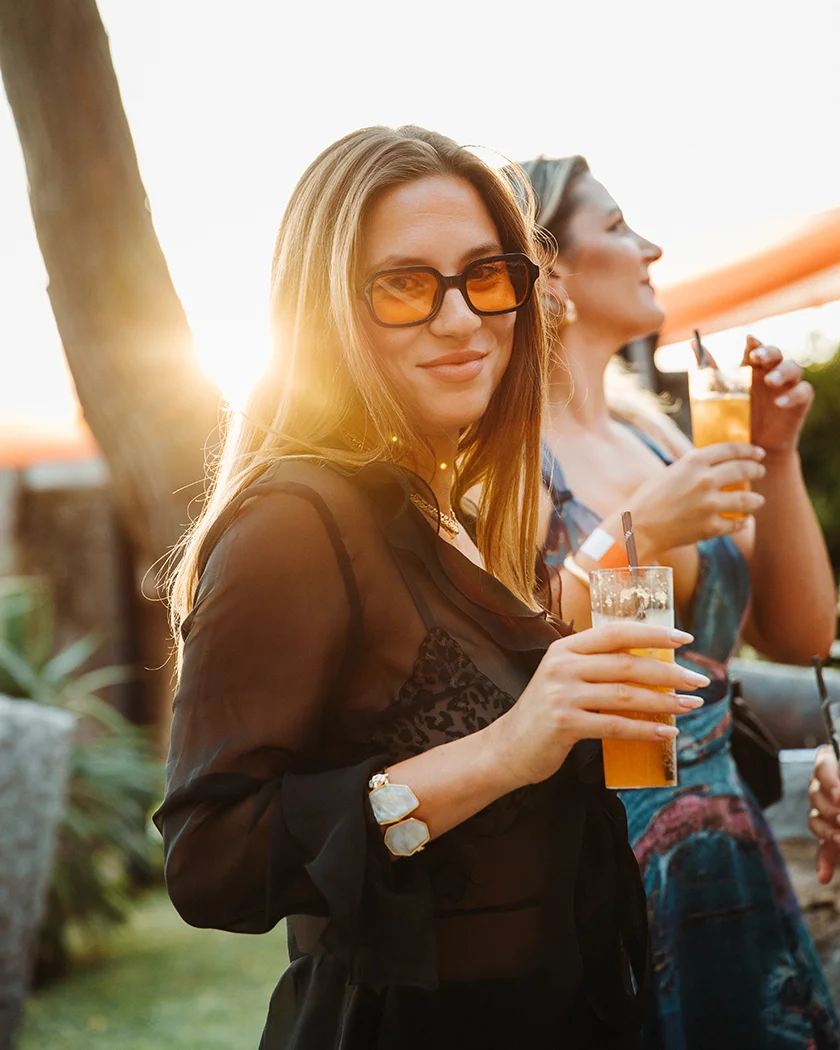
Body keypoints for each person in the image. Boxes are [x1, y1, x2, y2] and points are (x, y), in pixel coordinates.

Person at [151, 126, 705, 1050]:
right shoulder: (296, 521)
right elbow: (209, 859)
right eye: (405, 284)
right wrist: (508, 749)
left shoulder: (460, 507)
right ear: (327, 313)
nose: (461, 319)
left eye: (486, 275)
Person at [519, 154, 840, 1048]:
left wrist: (776, 455)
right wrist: (635, 530)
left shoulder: (654, 433)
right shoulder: (500, 462)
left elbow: (802, 630)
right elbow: (503, 660)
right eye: (619, 228)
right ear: (547, 268)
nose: (652, 247)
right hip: (607, 863)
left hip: (725, 842)